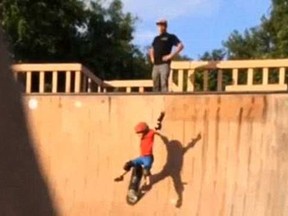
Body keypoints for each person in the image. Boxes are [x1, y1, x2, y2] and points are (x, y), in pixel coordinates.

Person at [149, 19, 184, 92]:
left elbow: (180, 46)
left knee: (163, 83)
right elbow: (152, 49)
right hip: (156, 64)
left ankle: (164, 100)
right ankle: (156, 100)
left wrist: (170, 56)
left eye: (162, 25)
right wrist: (152, 58)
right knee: (155, 82)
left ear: (165, 26)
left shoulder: (170, 36)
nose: (160, 27)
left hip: (164, 64)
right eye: (159, 25)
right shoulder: (156, 38)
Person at [123, 122, 156, 186]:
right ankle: (123, 175)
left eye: (139, 133)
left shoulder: (149, 134)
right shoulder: (142, 138)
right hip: (141, 158)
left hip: (148, 158)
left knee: (145, 170)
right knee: (128, 164)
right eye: (137, 133)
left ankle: (147, 181)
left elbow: (155, 129)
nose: (138, 135)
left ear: (145, 131)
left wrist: (159, 122)